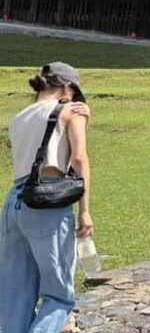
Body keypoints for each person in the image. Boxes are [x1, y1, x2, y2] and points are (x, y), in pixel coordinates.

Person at [0, 62, 93, 333]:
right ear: (68, 88)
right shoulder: (70, 110)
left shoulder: (19, 116)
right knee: (59, 295)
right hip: (47, 201)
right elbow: (78, 159)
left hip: (14, 201)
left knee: (15, 293)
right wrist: (85, 210)